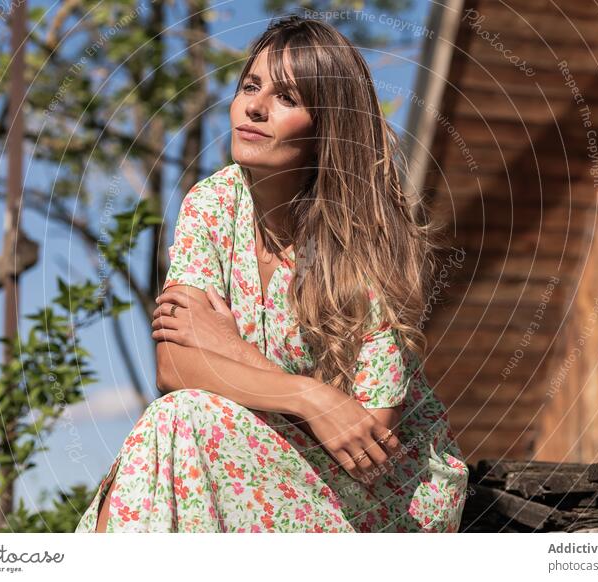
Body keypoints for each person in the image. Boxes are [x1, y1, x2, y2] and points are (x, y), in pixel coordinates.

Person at [75, 14, 469, 533]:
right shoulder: (213, 202)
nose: (254, 106)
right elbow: (174, 364)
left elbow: (370, 437)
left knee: (180, 425)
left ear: (327, 128)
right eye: (250, 86)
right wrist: (311, 396)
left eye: (287, 98)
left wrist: (230, 350)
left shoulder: (369, 240)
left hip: (389, 496)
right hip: (264, 453)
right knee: (176, 420)